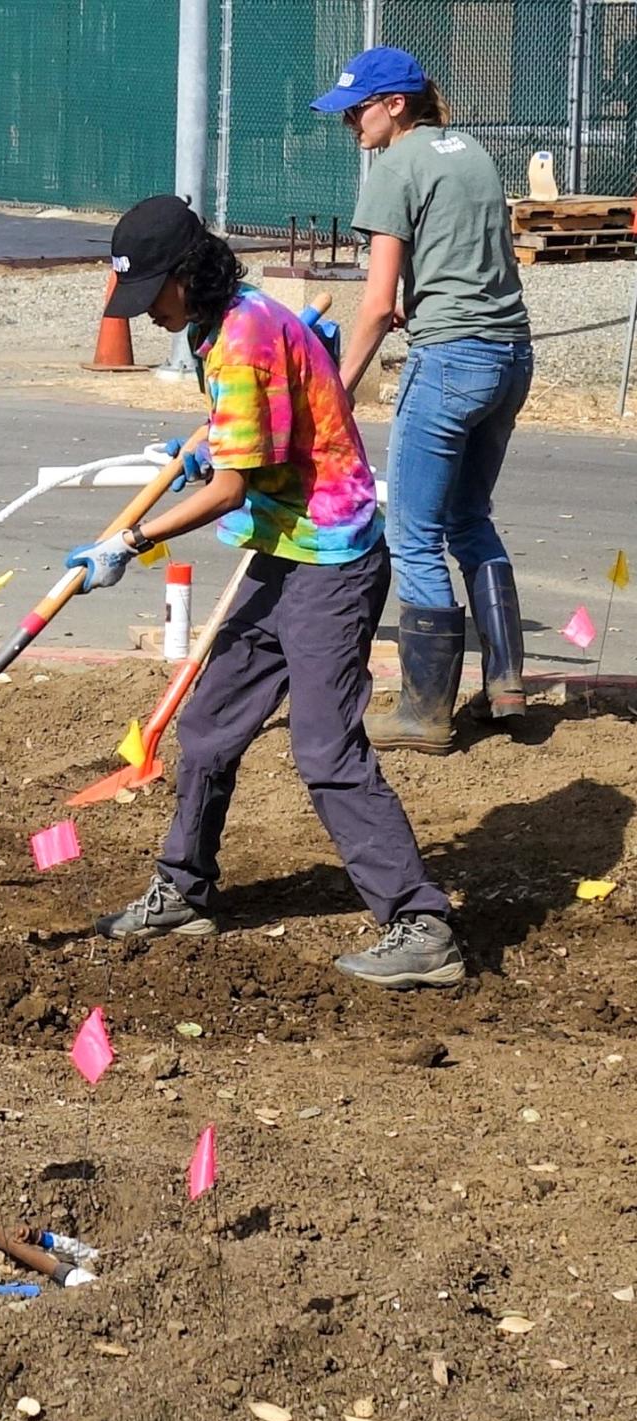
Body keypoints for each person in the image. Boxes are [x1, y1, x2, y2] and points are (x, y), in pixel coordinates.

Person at [68, 196, 461, 991]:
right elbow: (251, 431)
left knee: (323, 749)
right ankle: (184, 888)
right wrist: (202, 440)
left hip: (330, 559)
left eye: (155, 295)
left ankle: (422, 924)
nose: (148, 315)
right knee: (209, 727)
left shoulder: (243, 339)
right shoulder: (223, 327)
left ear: (187, 275)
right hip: (279, 551)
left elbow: (231, 488)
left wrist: (133, 541)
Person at [314, 46, 534, 751]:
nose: (352, 123)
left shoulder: (395, 167)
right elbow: (467, 258)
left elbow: (375, 304)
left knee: (412, 535)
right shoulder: (471, 151)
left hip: (449, 363)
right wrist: (425, 299)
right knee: (470, 517)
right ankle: (505, 684)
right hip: (509, 356)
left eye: (358, 109)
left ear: (396, 105)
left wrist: (337, 388)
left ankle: (424, 711)